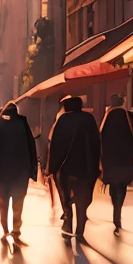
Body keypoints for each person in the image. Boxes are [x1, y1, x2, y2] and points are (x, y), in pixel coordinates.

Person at [48, 93, 102, 241]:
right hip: (85, 169)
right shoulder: (89, 120)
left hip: (65, 169)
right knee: (83, 200)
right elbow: (96, 144)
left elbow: (55, 146)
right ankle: (79, 231)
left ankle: (67, 222)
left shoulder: (62, 120)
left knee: (65, 197)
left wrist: (51, 168)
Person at [0, 101, 39, 242]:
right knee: (18, 201)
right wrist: (33, 169)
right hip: (21, 170)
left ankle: (5, 231)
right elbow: (31, 146)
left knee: (3, 201)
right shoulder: (23, 124)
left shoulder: (0, 124)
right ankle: (16, 230)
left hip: (3, 171)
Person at [98, 93, 133, 231]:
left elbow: (100, 137)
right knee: (122, 185)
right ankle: (118, 210)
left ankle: (115, 210)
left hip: (110, 159)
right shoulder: (128, 116)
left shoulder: (107, 117)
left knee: (113, 184)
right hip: (125, 158)